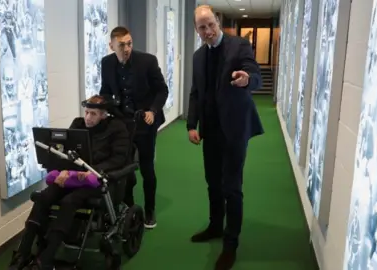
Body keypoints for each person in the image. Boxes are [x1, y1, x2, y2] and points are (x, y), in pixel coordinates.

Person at [9, 95, 130, 270]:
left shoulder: (118, 129)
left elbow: (118, 159)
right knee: (43, 197)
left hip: (97, 180)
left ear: (104, 115)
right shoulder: (78, 124)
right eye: (86, 112)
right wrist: (63, 170)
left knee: (69, 201)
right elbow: (65, 152)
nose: (87, 118)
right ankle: (22, 253)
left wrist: (92, 171)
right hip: (73, 177)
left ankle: (46, 258)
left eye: (93, 114)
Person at [187, 5, 264, 270]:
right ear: (197, 30)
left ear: (218, 22)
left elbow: (255, 75)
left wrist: (247, 80)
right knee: (213, 183)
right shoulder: (198, 56)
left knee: (232, 186)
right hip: (211, 131)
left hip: (234, 129)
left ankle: (231, 244)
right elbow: (196, 92)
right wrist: (191, 124)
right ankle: (215, 226)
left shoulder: (239, 45)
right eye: (202, 27)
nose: (207, 31)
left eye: (210, 24)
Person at [99, 26, 169, 229]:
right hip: (122, 123)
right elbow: (105, 91)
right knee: (125, 168)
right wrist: (101, 107)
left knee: (147, 168)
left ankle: (150, 210)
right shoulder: (106, 63)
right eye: (122, 45)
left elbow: (162, 90)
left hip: (145, 121)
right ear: (112, 45)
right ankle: (128, 207)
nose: (127, 48)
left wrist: (153, 111)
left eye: (129, 43)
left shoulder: (147, 61)